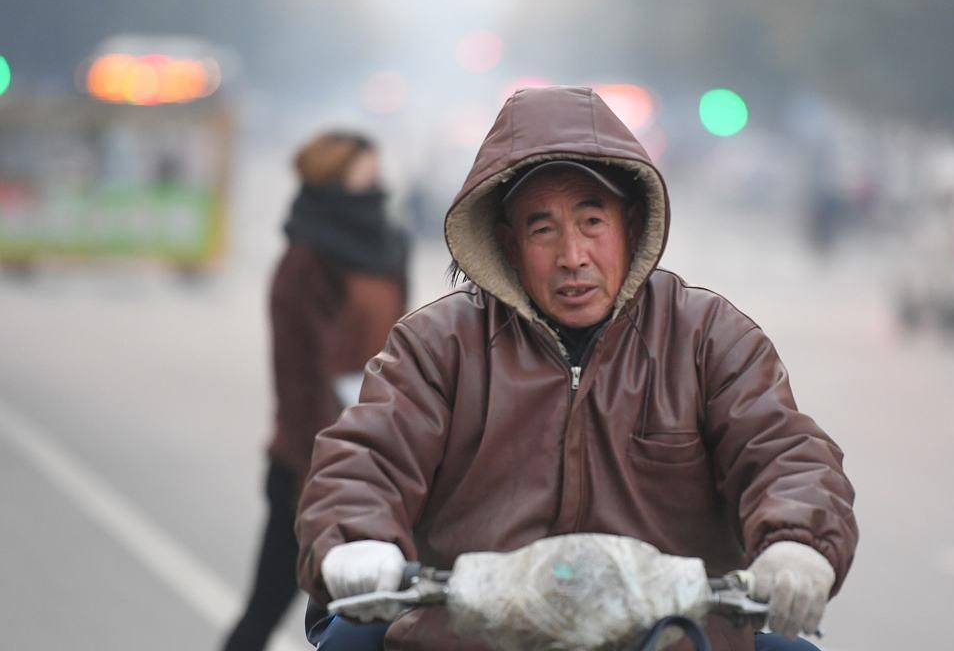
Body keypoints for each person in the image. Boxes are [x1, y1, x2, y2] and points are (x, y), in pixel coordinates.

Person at [295, 87, 857, 651]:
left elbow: (783, 452)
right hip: (470, 640)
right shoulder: (437, 346)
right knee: (346, 642)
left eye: (592, 221)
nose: (572, 256)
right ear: (508, 243)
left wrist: (796, 541)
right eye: (543, 230)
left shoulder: (708, 337)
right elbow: (366, 457)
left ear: (631, 226)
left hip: (671, 640)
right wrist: (358, 539)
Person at [220, 130, 410, 651]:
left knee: (379, 616)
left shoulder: (389, 246)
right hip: (311, 463)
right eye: (361, 172)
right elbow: (298, 384)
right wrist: (317, 479)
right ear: (333, 180)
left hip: (379, 459)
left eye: (374, 170)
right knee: (268, 609)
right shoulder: (304, 262)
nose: (374, 182)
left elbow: (406, 349)